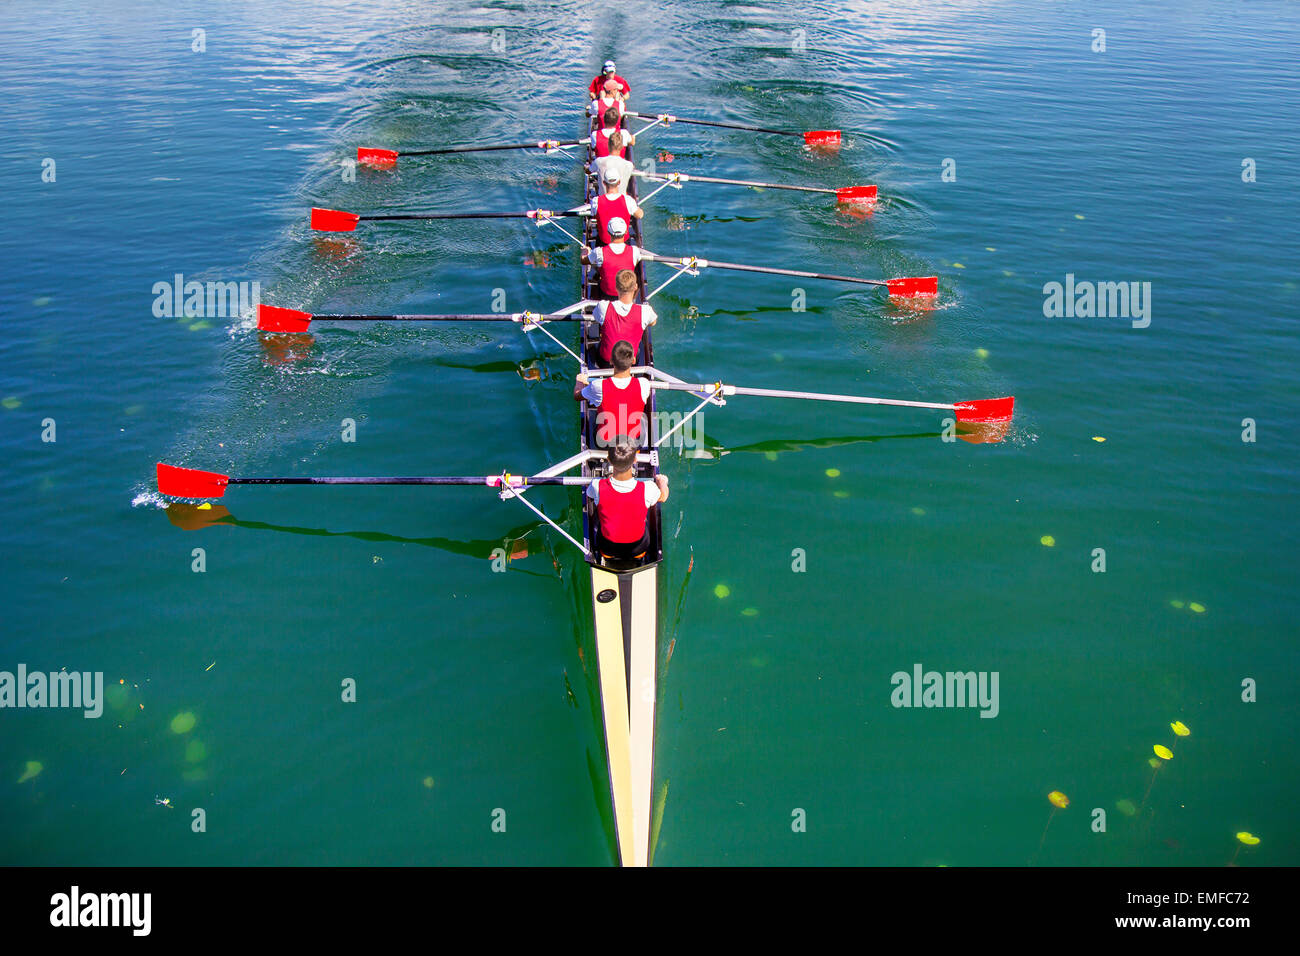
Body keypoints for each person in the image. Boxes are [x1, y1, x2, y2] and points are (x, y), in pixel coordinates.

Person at [587, 438, 668, 562]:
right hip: (638, 548)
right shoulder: (649, 488)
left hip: (608, 548)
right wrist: (662, 483)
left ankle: (605, 556)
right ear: (635, 460)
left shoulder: (596, 485)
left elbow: (590, 496)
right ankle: (639, 557)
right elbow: (663, 497)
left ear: (609, 460)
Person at [575, 339, 651, 445]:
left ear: (611, 361)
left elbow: (577, 396)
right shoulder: (644, 384)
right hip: (633, 442)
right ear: (633, 360)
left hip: (605, 442)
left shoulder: (598, 386)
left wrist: (579, 381)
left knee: (595, 415)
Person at [591, 267, 656, 365]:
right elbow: (653, 322)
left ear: (616, 287)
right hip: (629, 362)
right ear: (635, 287)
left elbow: (595, 318)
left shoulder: (603, 306)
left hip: (606, 361)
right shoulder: (645, 311)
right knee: (639, 347)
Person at [582, 218, 649, 301]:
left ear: (608, 232)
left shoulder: (599, 252)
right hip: (626, 295)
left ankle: (593, 300)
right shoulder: (635, 251)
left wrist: (585, 251)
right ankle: (633, 300)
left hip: (606, 294)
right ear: (626, 232)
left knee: (596, 279)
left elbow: (583, 260)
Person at [592, 165, 642, 244]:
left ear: (604, 183)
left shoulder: (596, 201)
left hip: (603, 244)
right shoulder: (628, 200)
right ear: (619, 182)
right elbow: (640, 215)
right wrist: (636, 207)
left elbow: (594, 214)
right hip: (623, 242)